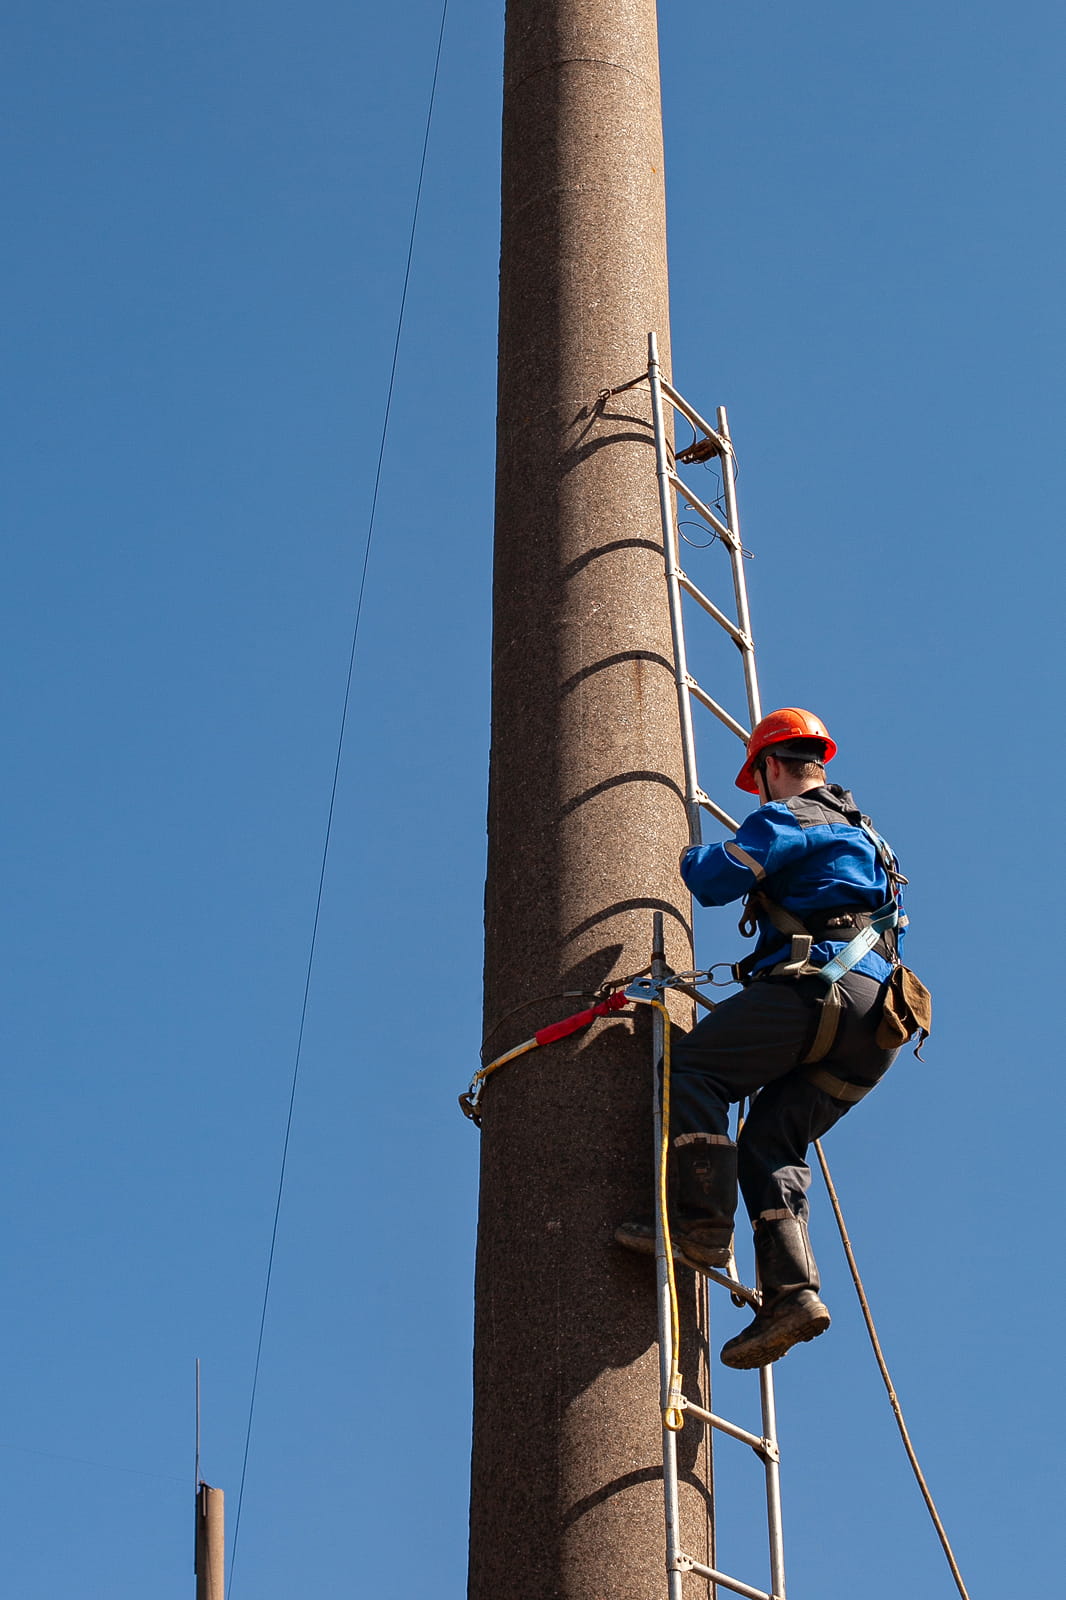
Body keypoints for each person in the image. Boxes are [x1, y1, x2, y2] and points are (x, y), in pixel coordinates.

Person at [617, 708, 908, 1369]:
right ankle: (793, 1295)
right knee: (771, 1142)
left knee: (692, 1070)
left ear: (770, 768)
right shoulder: (870, 839)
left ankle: (698, 1228)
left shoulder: (790, 817)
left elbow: (711, 879)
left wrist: (684, 847)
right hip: (879, 1021)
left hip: (821, 989)